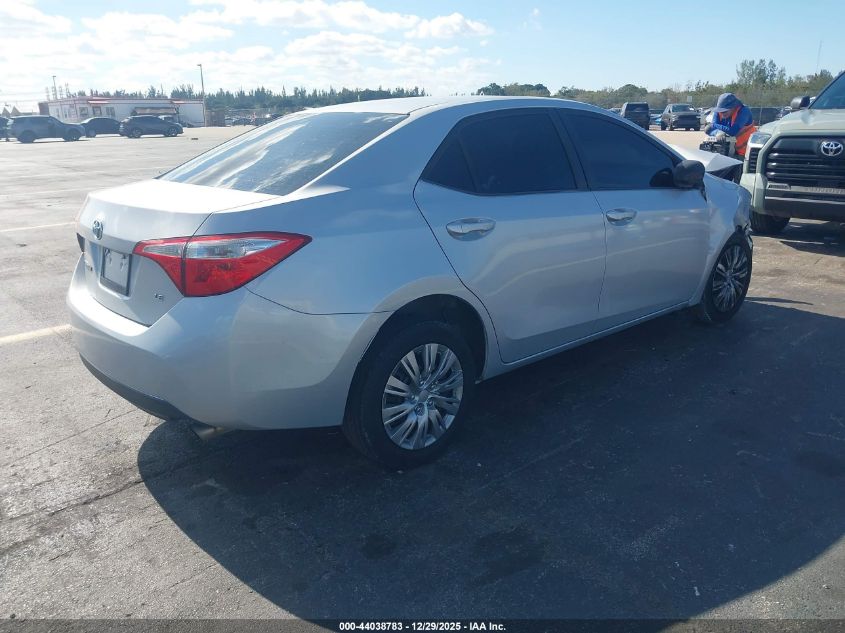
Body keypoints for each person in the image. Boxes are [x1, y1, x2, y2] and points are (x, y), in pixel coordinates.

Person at [705, 92, 756, 158]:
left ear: (733, 107)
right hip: (728, 151)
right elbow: (709, 129)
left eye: (725, 111)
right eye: (721, 111)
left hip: (746, 154)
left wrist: (714, 125)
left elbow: (733, 131)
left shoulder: (744, 111)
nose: (722, 113)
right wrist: (717, 132)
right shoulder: (718, 112)